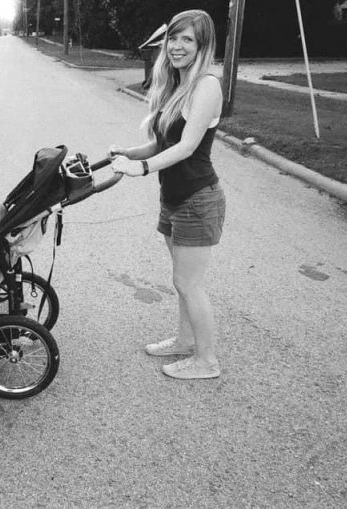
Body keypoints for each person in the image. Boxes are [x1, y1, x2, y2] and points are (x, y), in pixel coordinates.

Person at [109, 9, 225, 380]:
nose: (176, 46)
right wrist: (129, 153)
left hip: (198, 198)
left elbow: (187, 147)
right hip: (173, 198)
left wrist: (142, 168)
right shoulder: (178, 84)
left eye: (187, 39)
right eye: (173, 38)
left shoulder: (207, 85)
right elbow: (163, 142)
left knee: (189, 283)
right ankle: (185, 341)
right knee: (181, 281)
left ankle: (207, 361)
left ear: (202, 45)